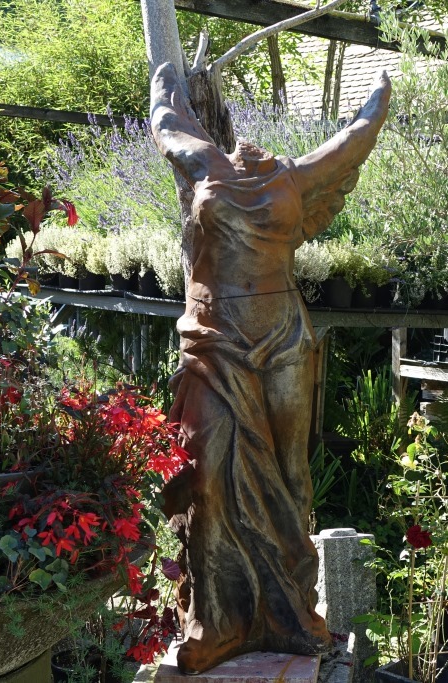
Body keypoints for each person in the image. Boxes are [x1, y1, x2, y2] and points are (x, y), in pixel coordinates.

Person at [150, 62, 391, 675]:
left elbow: (356, 136)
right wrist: (166, 80)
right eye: (241, 146)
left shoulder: (295, 176)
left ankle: (292, 615)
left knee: (291, 473)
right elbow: (167, 120)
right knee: (205, 473)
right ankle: (214, 622)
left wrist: (380, 91)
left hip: (282, 337)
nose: (251, 147)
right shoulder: (207, 164)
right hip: (215, 338)